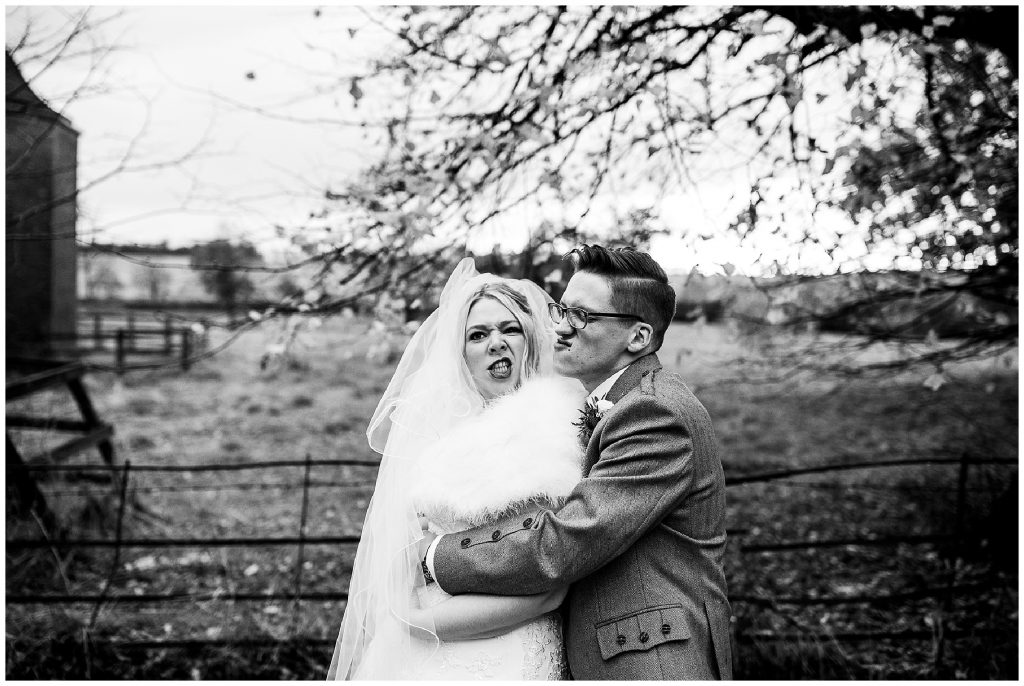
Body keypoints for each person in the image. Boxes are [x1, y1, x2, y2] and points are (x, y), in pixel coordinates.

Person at [421, 245, 733, 680]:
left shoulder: (655, 414)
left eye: (582, 316)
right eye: (561, 310)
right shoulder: (616, 403)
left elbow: (565, 542)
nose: (560, 328)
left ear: (638, 337)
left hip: (649, 663)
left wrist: (433, 557)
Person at [328, 258, 586, 680]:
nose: (496, 343)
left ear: (530, 340)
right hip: (414, 654)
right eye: (479, 335)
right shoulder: (440, 439)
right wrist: (399, 609)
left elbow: (546, 590)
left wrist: (418, 623)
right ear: (462, 354)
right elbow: (400, 549)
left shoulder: (552, 434)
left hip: (506, 651)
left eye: (510, 329)